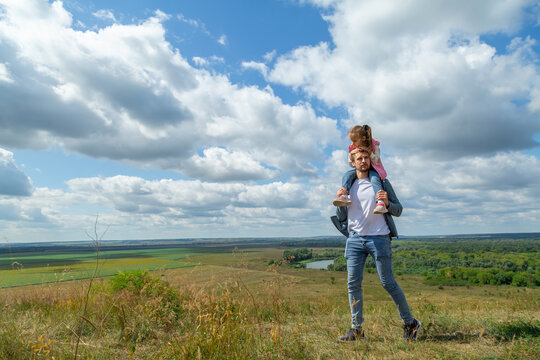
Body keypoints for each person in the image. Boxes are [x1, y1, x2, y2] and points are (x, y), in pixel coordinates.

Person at [332, 147, 421, 342]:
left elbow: (398, 210)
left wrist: (387, 203)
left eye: (366, 158)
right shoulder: (349, 185)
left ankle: (410, 323)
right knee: (352, 284)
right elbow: (342, 216)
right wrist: (339, 198)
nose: (363, 161)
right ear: (352, 162)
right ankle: (356, 330)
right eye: (359, 158)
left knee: (388, 283)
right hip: (355, 239)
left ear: (370, 160)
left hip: (379, 239)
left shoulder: (381, 183)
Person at [333, 125, 388, 214]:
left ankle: (380, 203)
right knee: (347, 175)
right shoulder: (353, 147)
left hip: (374, 169)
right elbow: (351, 163)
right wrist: (352, 154)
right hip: (358, 171)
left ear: (362, 138)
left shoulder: (374, 144)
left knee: (374, 179)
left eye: (355, 141)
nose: (353, 143)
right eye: (359, 159)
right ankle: (344, 196)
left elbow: (376, 161)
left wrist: (370, 153)